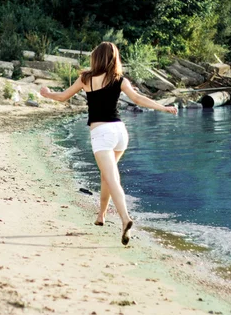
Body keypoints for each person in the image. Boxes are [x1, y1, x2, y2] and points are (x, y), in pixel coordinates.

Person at [40, 41, 178, 245]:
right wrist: (163, 107)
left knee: (112, 179)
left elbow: (62, 97)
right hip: (120, 132)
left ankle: (125, 219)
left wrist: (47, 93)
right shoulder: (119, 79)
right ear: (114, 59)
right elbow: (138, 99)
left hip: (102, 133)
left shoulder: (86, 78)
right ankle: (101, 216)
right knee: (107, 176)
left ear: (96, 58)